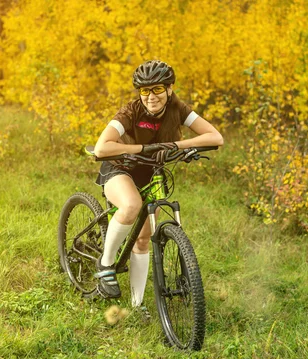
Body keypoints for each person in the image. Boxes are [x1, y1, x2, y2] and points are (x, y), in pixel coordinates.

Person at [93, 60, 223, 306]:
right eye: (144, 90)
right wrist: (144, 148)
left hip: (152, 173)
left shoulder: (178, 109)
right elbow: (102, 147)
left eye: (157, 89)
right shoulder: (130, 112)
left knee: (143, 240)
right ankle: (106, 264)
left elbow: (215, 136)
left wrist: (174, 146)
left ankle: (136, 304)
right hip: (119, 169)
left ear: (169, 88)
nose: (151, 96)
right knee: (131, 205)